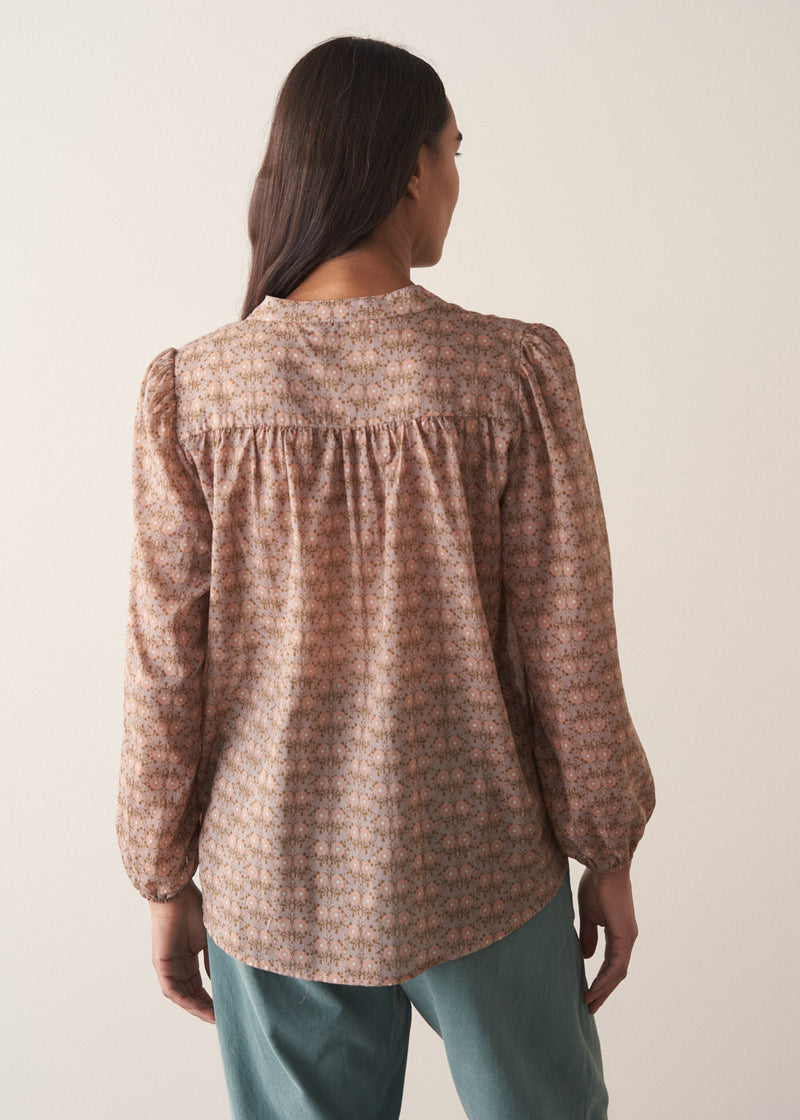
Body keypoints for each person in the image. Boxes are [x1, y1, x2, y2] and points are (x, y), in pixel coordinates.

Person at [117, 34, 656, 1120]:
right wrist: (605, 846)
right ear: (411, 167)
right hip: (483, 866)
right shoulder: (510, 373)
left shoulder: (194, 393)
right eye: (454, 151)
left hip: (273, 876)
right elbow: (570, 643)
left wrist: (162, 874)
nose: (456, 180)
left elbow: (165, 666)